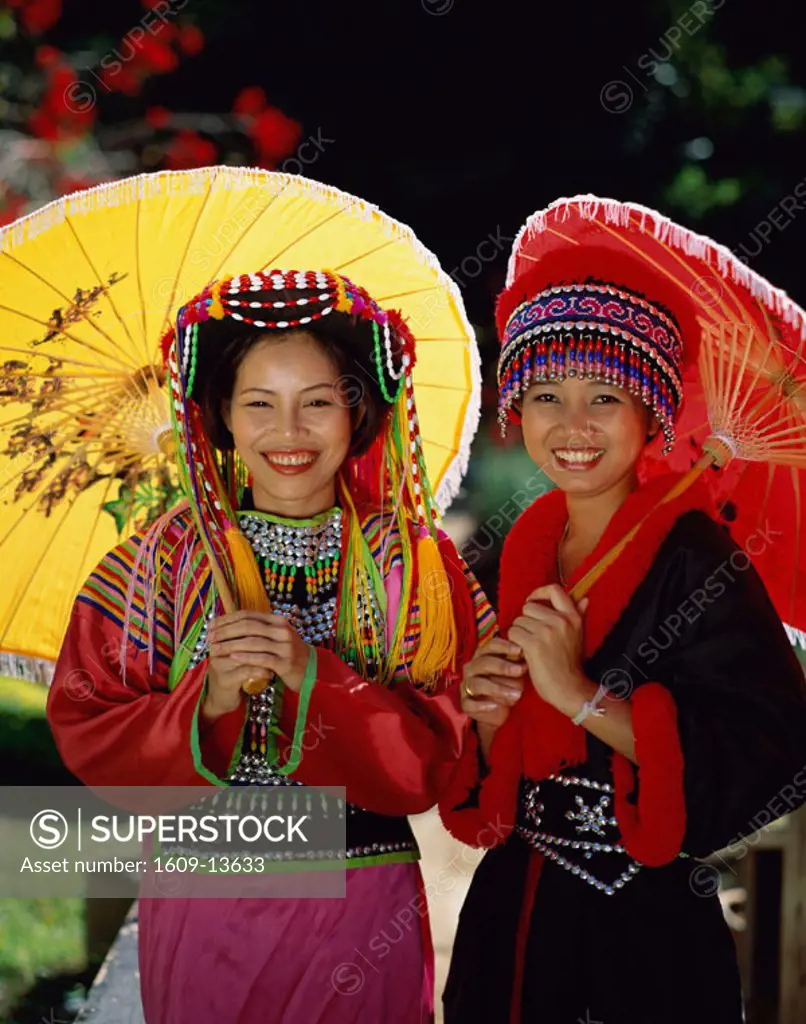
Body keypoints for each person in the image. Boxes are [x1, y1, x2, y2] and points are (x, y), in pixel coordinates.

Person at [47, 268, 495, 1024]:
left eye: (317, 402)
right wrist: (209, 702)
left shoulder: (411, 566)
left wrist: (309, 674)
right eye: (259, 404)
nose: (289, 433)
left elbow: (441, 755)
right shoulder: (162, 559)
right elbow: (88, 722)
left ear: (356, 412)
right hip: (204, 899)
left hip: (362, 899)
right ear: (221, 414)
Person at [439, 242, 806, 1024]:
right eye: (543, 396)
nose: (572, 426)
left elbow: (771, 743)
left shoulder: (700, 557)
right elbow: (482, 752)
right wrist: (487, 708)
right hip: (511, 916)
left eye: (605, 396)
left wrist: (578, 694)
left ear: (653, 411)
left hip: (644, 928)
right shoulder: (513, 547)